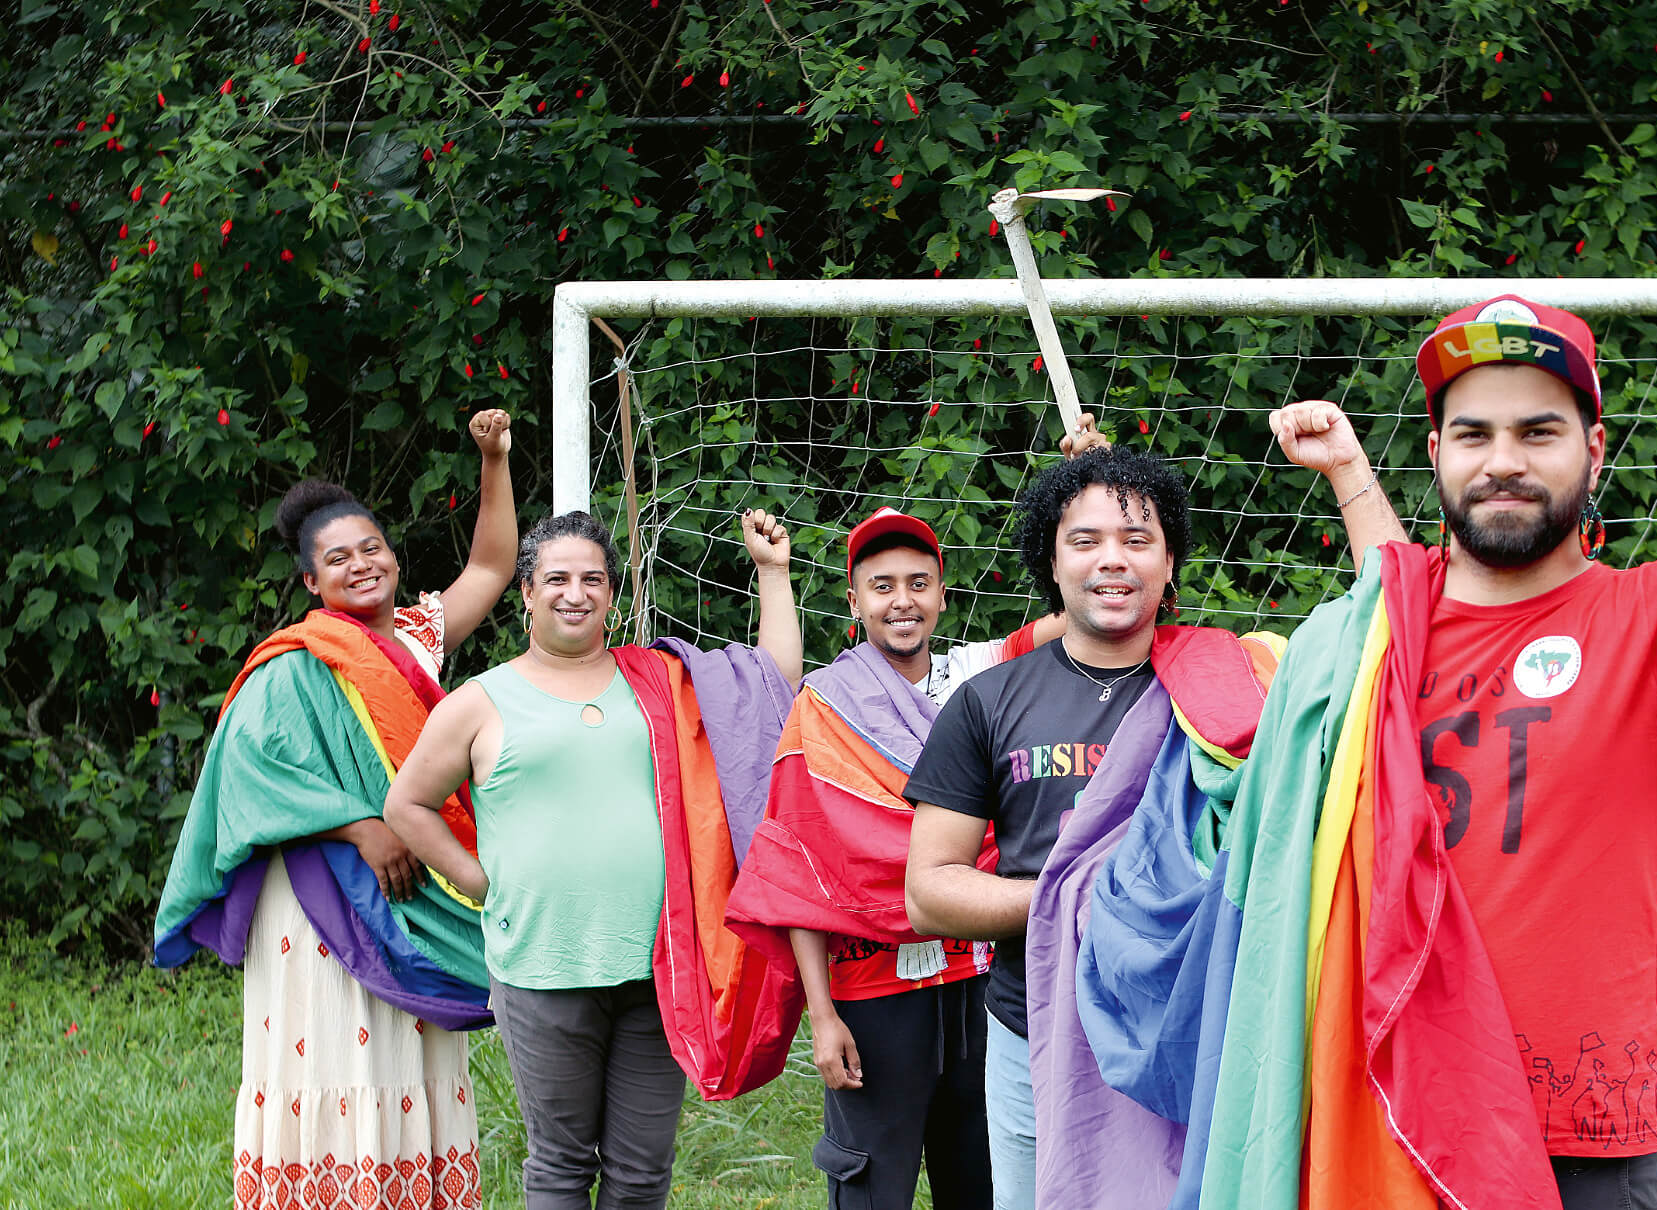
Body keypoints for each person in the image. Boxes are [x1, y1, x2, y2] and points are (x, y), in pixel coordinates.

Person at [1268, 103, 1657, 1210]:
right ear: (1439, 454)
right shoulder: (1376, 628)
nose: (1504, 461)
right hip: (1379, 1105)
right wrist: (1355, 483)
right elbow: (1390, 582)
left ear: (1594, 449)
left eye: (1538, 431)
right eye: (1474, 433)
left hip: (1575, 1141)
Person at [905, 438, 1324, 1210]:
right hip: (1033, 1028)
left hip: (1196, 1028)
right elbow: (929, 893)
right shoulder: (988, 702)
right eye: (1086, 540)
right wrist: (1083, 899)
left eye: (1138, 540)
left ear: (1170, 566)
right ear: (1052, 562)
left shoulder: (1231, 692)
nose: (1112, 560)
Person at [726, 419, 1099, 1210]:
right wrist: (821, 1016)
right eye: (883, 586)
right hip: (870, 994)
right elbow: (800, 868)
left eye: (919, 583)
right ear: (855, 600)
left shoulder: (983, 679)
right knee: (873, 1188)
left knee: (984, 1179)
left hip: (978, 981)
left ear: (942, 593)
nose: (903, 601)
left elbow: (1086, 615)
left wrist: (1088, 492)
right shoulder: (823, 705)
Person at [385, 509, 805, 1210]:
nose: (574, 593)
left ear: (612, 594)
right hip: (542, 969)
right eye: (555, 578)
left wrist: (773, 573)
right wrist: (479, 881)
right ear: (525, 591)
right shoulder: (481, 701)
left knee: (642, 1173)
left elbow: (769, 685)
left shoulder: (660, 684)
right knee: (560, 1165)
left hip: (660, 970)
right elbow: (407, 805)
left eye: (592, 579)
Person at [154, 410, 519, 1210]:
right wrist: (362, 826)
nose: (361, 565)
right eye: (337, 559)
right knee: (323, 1048)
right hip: (314, 899)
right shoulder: (290, 664)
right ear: (312, 583)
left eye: (371, 548)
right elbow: (246, 774)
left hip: (410, 893)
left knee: (407, 1054)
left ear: (393, 555)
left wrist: (492, 459)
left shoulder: (418, 639)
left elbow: (492, 566)